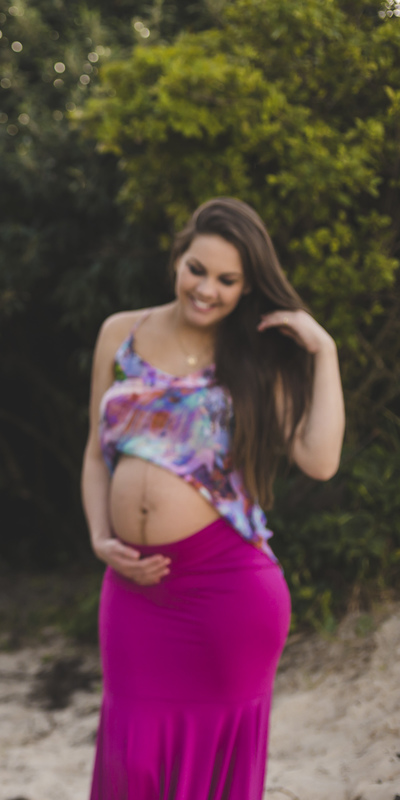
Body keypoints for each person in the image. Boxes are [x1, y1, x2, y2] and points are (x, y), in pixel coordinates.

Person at [80, 197, 345, 798]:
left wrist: (323, 350)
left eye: (228, 280)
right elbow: (97, 453)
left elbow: (319, 460)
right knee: (134, 763)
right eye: (197, 269)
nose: (207, 289)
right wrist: (100, 537)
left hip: (227, 591)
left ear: (247, 286)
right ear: (178, 257)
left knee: (213, 776)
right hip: (135, 589)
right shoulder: (120, 333)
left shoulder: (254, 358)